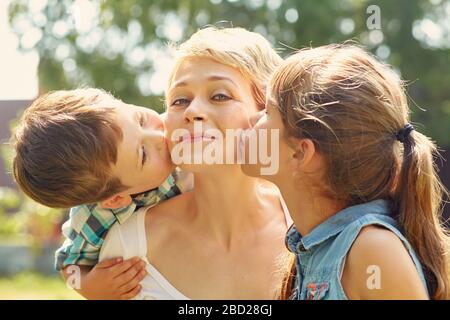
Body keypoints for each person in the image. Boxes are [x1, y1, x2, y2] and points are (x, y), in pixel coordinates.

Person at [242, 44, 450, 300]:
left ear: (300, 153)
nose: (252, 119)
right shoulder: (310, 250)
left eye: (268, 111)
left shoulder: (373, 251)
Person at [99, 26, 293, 299]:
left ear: (266, 112)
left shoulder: (312, 227)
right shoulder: (128, 248)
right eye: (180, 100)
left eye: (219, 96)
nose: (193, 111)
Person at [12, 88, 192, 299]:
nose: (159, 136)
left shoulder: (178, 125)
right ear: (116, 199)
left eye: (141, 120)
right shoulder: (94, 218)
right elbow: (68, 266)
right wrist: (90, 287)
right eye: (143, 154)